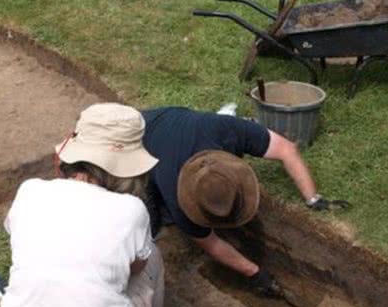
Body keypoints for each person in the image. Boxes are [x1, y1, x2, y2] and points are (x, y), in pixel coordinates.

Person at [0, 103, 172, 307]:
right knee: (151, 258)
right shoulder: (131, 210)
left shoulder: (30, 190)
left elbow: (15, 234)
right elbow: (136, 270)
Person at [141, 106, 348, 297]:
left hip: (179, 122)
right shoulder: (176, 194)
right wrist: (254, 273)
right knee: (150, 216)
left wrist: (313, 198)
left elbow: (286, 149)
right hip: (140, 136)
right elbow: (210, 244)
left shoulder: (227, 128)